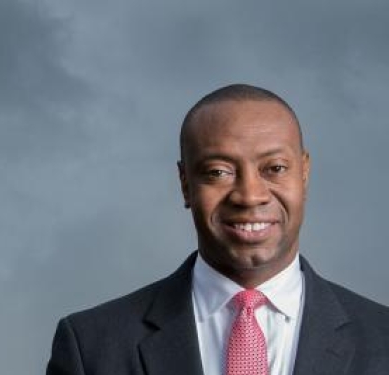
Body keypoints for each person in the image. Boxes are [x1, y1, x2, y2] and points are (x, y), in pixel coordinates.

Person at [46, 84, 389, 375]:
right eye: (218, 172)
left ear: (304, 174)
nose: (249, 195)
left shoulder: (381, 339)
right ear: (185, 184)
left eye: (275, 167)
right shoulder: (91, 347)